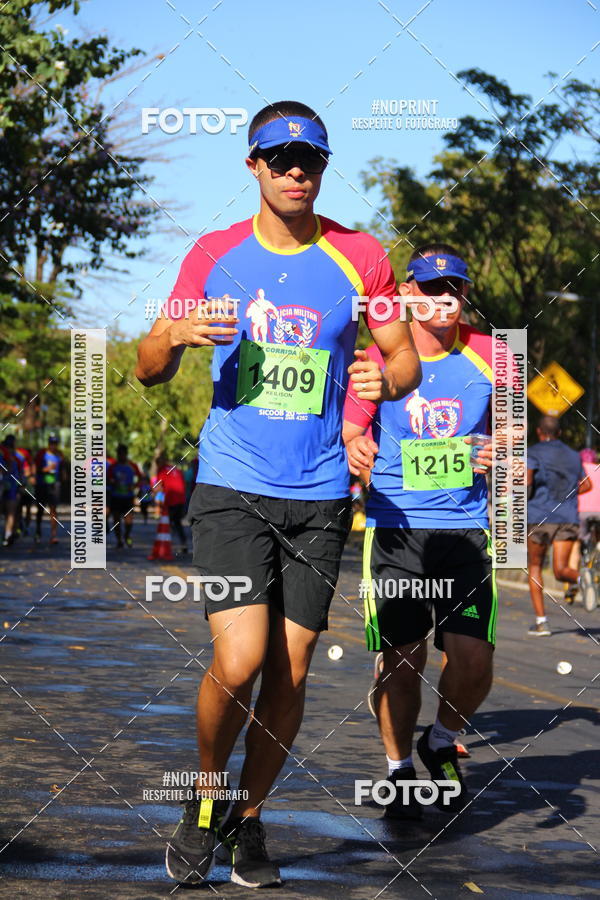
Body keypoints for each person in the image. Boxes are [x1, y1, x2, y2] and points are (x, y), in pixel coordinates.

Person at [135, 100, 420, 887]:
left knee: (291, 669)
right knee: (242, 655)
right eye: (282, 158)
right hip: (233, 482)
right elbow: (146, 363)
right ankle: (203, 801)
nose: (298, 171)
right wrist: (173, 336)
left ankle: (247, 824)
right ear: (253, 166)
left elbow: (402, 360)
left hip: (321, 488)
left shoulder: (362, 257)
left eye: (312, 160)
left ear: (324, 169)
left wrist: (385, 377)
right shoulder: (215, 254)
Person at [344, 243, 495, 819]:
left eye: (452, 289)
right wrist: (357, 445)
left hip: (465, 533)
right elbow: (351, 431)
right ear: (406, 294)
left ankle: (441, 738)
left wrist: (499, 451)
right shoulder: (378, 358)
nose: (443, 301)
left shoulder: (492, 355)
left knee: (474, 662)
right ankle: (399, 771)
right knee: (402, 662)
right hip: (396, 532)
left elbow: (510, 438)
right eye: (430, 290)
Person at [527, 416, 592, 634]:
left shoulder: (533, 453)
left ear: (539, 432)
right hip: (566, 517)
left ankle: (541, 622)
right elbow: (587, 484)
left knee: (535, 566)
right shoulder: (574, 456)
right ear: (560, 433)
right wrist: (567, 497)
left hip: (539, 516)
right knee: (561, 570)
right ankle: (583, 577)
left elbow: (527, 483)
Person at [107, 444, 141, 548]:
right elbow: (107, 479)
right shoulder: (113, 466)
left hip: (128, 497)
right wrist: (112, 483)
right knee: (116, 519)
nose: (121, 456)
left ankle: (126, 535)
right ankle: (119, 540)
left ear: (126, 454)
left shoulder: (132, 465)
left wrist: (135, 486)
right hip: (116, 497)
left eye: (122, 454)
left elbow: (140, 478)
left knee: (129, 519)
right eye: (119, 454)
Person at [155, 454, 188, 554]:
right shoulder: (175, 469)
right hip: (181, 498)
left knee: (169, 522)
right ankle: (183, 543)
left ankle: (167, 543)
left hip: (172, 498)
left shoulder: (161, 470)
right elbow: (183, 483)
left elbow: (158, 487)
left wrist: (156, 496)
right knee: (177, 522)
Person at [34, 434, 64, 544]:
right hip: (42, 484)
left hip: (54, 485)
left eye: (55, 444)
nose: (53, 446)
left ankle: (53, 535)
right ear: (48, 444)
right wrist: (47, 469)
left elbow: (62, 469)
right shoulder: (42, 454)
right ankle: (38, 531)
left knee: (53, 510)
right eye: (51, 443)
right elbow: (36, 469)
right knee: (40, 510)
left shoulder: (59, 455)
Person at [0, 434, 22, 547]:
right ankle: (7, 535)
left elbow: (21, 472)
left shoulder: (17, 457)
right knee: (10, 513)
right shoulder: (11, 455)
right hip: (8, 486)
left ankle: (8, 536)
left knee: (11, 513)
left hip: (11, 486)